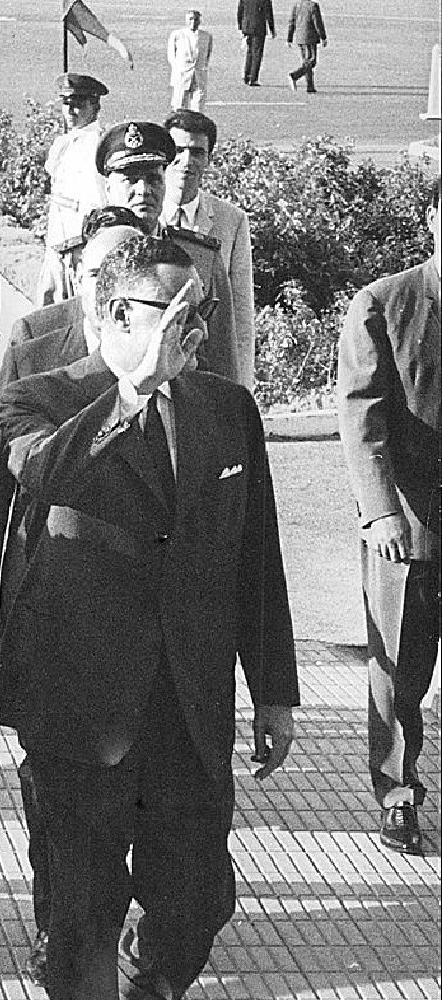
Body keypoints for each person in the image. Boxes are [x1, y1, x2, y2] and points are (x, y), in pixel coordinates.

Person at [0, 234, 298, 1000]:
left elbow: (255, 557)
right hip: (80, 704)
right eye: (176, 315)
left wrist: (275, 692)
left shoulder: (227, 411)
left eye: (204, 313)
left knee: (198, 894)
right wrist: (131, 393)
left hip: (187, 704)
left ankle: (150, 978)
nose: (195, 332)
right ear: (117, 312)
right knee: (82, 911)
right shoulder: (42, 395)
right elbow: (43, 474)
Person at [0, 207, 141, 987]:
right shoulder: (37, 349)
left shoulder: (175, 349)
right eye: (98, 270)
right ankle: (57, 924)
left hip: (139, 621)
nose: (108, 285)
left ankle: (106, 923)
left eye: (121, 271)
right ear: (77, 273)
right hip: (50, 612)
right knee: (54, 794)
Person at [336, 179, 441, 857]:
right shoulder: (386, 301)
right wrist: (381, 514)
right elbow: (361, 414)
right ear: (433, 217)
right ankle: (398, 792)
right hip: (408, 523)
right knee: (400, 663)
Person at [96, 120, 246, 388]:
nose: (144, 191)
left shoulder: (201, 258)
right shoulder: (83, 260)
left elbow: (223, 360)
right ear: (108, 188)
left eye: (154, 179)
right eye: (130, 180)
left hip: (182, 411)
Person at [163, 109, 255, 391]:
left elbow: (240, 312)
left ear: (208, 159)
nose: (186, 162)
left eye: (197, 152)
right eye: (177, 150)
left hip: (205, 365)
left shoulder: (232, 221)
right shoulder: (145, 215)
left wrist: (242, 388)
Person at [35, 73, 108, 307]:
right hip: (57, 242)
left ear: (95, 106)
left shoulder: (95, 146)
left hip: (77, 247)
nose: (71, 112)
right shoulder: (65, 142)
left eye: (79, 105)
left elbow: (97, 203)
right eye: (67, 104)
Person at [167, 8, 212, 111]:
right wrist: (178, 69)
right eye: (190, 19)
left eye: (196, 19)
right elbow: (171, 56)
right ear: (186, 20)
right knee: (180, 103)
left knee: (198, 104)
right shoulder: (177, 35)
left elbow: (207, 54)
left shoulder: (206, 36)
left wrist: (203, 67)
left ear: (200, 21)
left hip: (199, 74)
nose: (193, 22)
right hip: (182, 74)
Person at [287, 0, 327, 94]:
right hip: (310, 37)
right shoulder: (313, 6)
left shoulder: (297, 5)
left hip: (300, 37)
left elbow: (291, 22)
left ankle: (310, 86)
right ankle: (294, 75)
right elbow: (318, 22)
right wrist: (323, 37)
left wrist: (289, 38)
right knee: (311, 61)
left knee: (307, 62)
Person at [237, 0, 275, 86]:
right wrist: (272, 29)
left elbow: (240, 10)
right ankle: (253, 78)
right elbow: (269, 13)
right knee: (257, 53)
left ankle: (247, 75)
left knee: (250, 51)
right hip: (258, 27)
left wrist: (240, 26)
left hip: (247, 25)